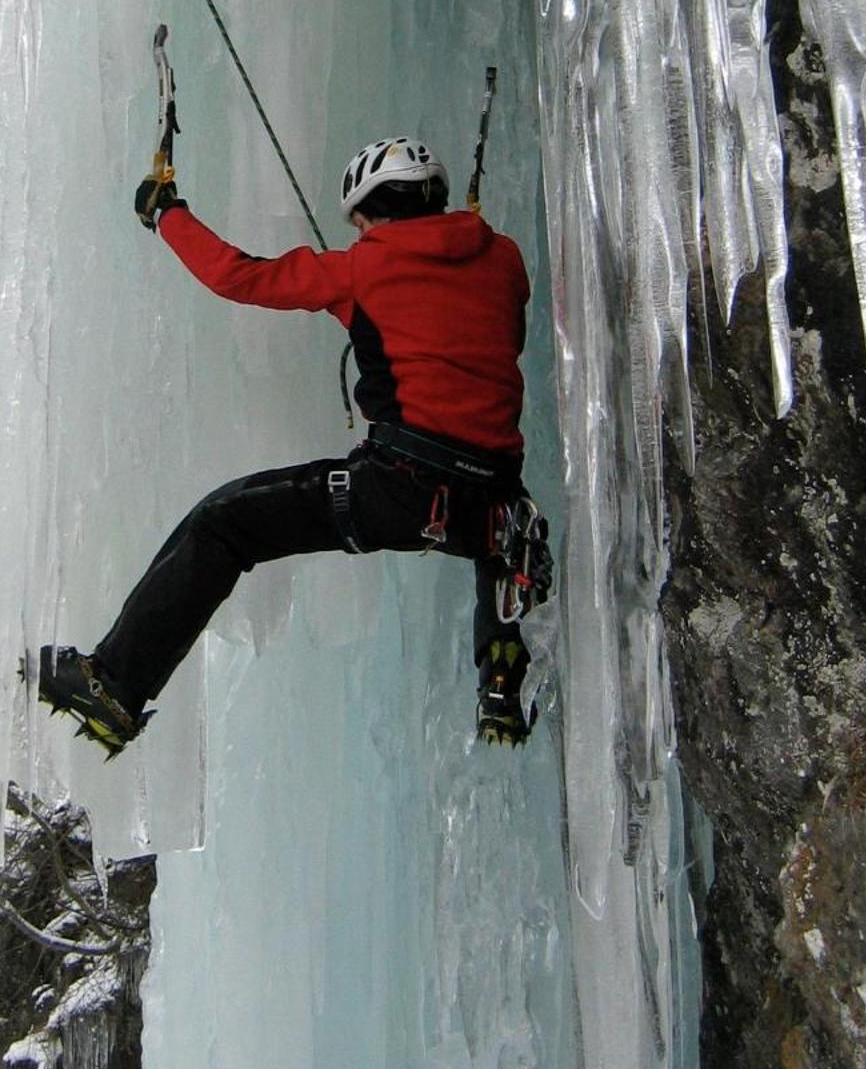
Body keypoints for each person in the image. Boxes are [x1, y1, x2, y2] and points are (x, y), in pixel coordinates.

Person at [37, 136, 550, 756]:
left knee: (225, 525)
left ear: (376, 210)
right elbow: (485, 330)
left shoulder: (360, 269)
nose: (359, 233)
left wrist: (165, 214)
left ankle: (115, 686)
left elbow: (237, 275)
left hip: (402, 488)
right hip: (493, 507)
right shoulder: (505, 259)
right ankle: (501, 680)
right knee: (499, 537)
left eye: (361, 221)